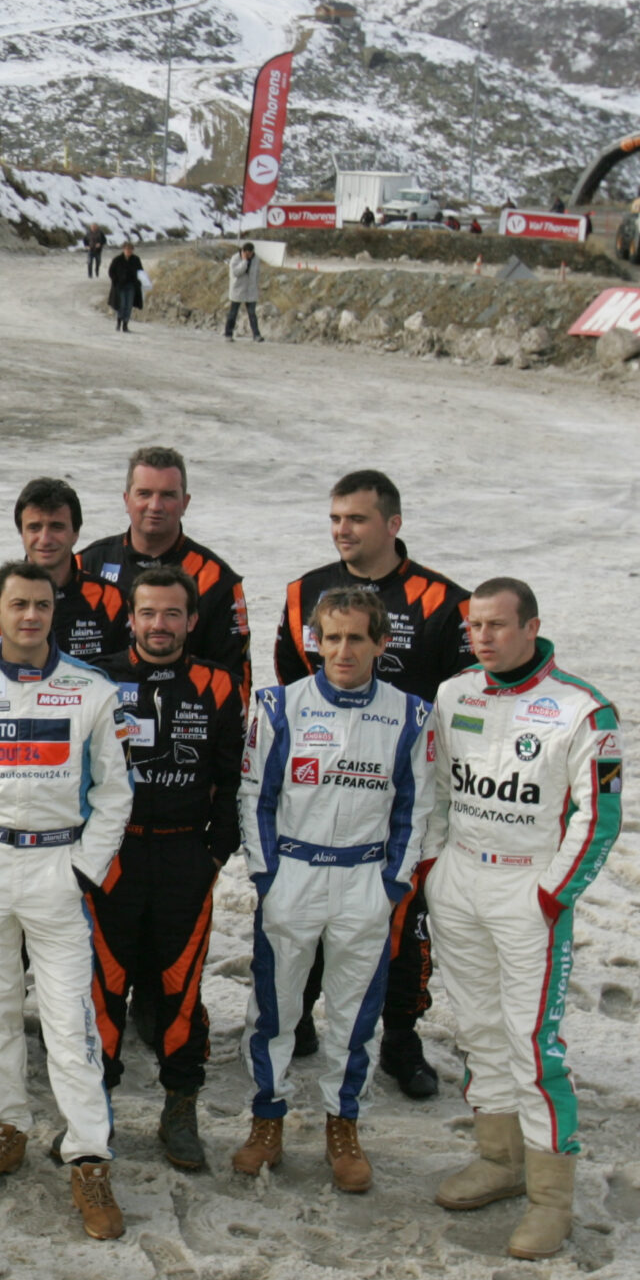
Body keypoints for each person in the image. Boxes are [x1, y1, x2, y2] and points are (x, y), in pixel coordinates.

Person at [0, 562, 133, 1240]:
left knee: (70, 1025)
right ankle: (7, 1127)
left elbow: (114, 792)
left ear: (54, 611)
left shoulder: (91, 690)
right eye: (18, 604)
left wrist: (84, 871)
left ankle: (89, 1157)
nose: (30, 615)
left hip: (56, 869)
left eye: (42, 604)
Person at [424, 580, 621, 1260]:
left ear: (532, 627)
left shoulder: (583, 709)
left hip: (527, 885)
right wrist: (434, 867)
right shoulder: (454, 694)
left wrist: (551, 895)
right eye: (475, 625)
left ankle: (550, 1199)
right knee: (478, 1028)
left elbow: (599, 816)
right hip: (460, 879)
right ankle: (499, 1159)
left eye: (498, 625)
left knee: (532, 1043)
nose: (483, 637)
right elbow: (438, 790)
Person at [272, 468, 473, 1094]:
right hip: (318, 786)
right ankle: (300, 1019)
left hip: (403, 790)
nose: (343, 530)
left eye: (356, 519)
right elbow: (290, 690)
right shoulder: (303, 592)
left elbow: (463, 701)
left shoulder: (444, 601)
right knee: (308, 908)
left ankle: (402, 1038)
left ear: (393, 523)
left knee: (402, 918)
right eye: (335, 518)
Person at [230, 587, 436, 1194]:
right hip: (293, 873)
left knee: (355, 1015)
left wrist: (393, 883)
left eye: (357, 638)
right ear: (315, 642)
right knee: (274, 1010)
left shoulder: (410, 714)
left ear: (381, 643)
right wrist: (268, 875)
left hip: (364, 880)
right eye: (333, 637)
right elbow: (255, 795)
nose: (344, 650)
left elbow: (418, 807)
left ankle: (343, 1125)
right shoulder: (278, 705)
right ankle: (267, 1118)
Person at [90, 565, 243, 1172]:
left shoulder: (219, 683)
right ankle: (94, 1108)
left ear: (192, 620)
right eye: (148, 612)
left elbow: (233, 776)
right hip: (113, 857)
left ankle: (180, 1105)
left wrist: (216, 852)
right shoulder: (96, 677)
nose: (160, 624)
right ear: (130, 617)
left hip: (184, 856)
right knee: (104, 987)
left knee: (181, 988)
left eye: (172, 613)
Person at [75, 447, 249, 689]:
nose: (155, 506)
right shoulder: (86, 565)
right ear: (126, 500)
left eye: (167, 495)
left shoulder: (216, 578)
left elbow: (236, 681)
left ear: (185, 503)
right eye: (144, 494)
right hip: (99, 704)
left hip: (187, 708)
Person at [0, 476, 129, 669]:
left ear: (76, 533)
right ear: (21, 533)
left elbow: (124, 675)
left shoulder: (110, 599)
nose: (45, 539)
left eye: (57, 527)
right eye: (34, 527)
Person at [224, 243, 263, 341]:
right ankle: (228, 334)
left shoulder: (256, 259)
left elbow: (257, 273)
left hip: (251, 290)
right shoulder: (235, 258)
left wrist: (256, 285)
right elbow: (236, 272)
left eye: (251, 253)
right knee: (233, 313)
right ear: (244, 252)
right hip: (238, 289)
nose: (250, 255)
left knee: (252, 313)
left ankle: (256, 335)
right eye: (247, 253)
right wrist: (244, 261)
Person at [107, 241, 144, 331]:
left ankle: (125, 324)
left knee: (129, 305)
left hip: (131, 286)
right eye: (127, 249)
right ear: (123, 249)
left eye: (130, 249)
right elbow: (111, 271)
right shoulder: (117, 260)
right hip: (120, 286)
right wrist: (115, 281)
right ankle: (119, 322)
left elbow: (140, 272)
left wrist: (139, 281)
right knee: (122, 304)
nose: (128, 251)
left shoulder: (136, 260)